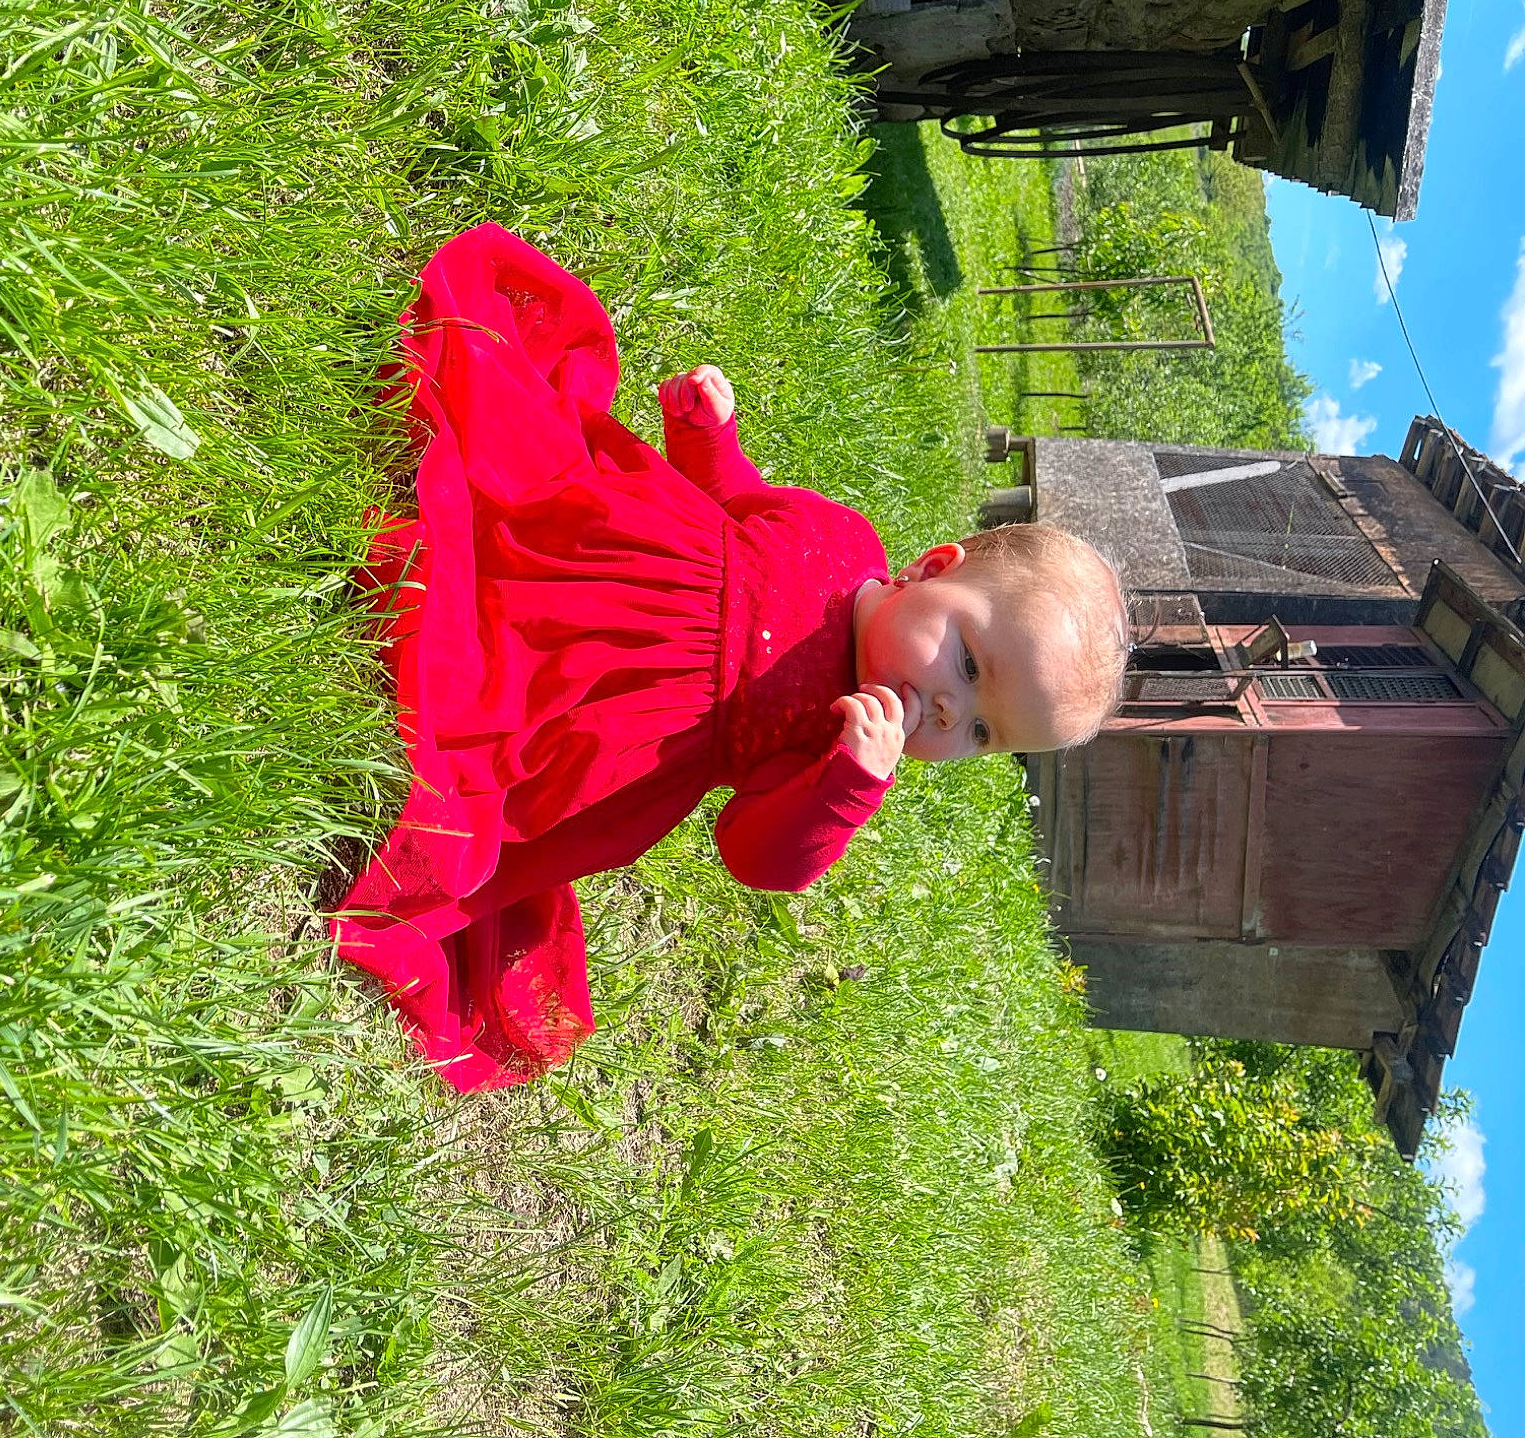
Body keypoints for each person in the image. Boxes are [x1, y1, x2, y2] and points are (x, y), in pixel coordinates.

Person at [332, 223, 1127, 1092]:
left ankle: (462, 735)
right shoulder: (844, 536)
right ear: (933, 569)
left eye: (980, 732)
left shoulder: (841, 750)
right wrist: (709, 438)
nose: (945, 713)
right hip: (606, 560)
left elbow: (756, 854)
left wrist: (845, 791)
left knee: (486, 758)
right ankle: (466, 588)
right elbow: (742, 506)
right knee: (495, 516)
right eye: (970, 667)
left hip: (613, 736)